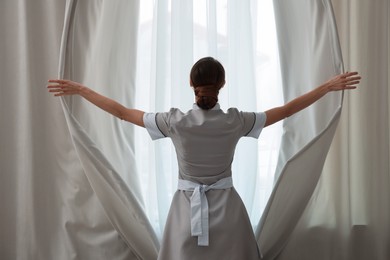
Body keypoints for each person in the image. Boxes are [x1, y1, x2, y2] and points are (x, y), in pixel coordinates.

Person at [47, 57, 360, 260]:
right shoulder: (236, 121)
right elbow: (287, 110)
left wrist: (82, 90)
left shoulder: (175, 121)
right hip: (230, 212)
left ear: (191, 85)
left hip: (185, 211)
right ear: (221, 84)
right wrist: (328, 87)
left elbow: (121, 112)